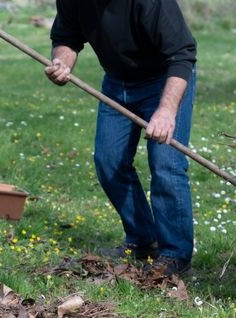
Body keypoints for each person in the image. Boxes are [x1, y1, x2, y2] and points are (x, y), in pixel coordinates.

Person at [46, 0, 197, 278]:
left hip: (164, 79)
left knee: (166, 164)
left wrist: (165, 111)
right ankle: (143, 240)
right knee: (109, 162)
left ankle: (176, 254)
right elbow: (66, 38)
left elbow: (182, 54)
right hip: (117, 83)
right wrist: (62, 62)